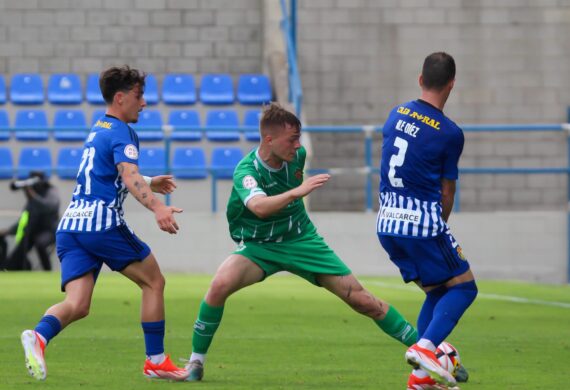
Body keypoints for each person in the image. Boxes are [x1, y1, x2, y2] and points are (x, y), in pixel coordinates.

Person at [183, 102, 419, 382]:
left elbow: (283, 193)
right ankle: (195, 364)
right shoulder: (245, 171)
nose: (298, 145)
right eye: (292, 139)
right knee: (219, 286)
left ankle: (429, 353)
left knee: (362, 300)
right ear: (269, 139)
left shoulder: (297, 156)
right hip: (260, 246)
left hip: (301, 239)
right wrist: (299, 192)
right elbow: (259, 206)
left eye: (298, 138)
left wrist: (295, 193)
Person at [20, 66, 189, 381]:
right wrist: (157, 207)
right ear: (121, 97)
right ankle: (155, 360)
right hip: (101, 225)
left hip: (71, 227)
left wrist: (149, 181)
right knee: (154, 282)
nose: (144, 104)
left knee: (78, 304)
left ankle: (38, 336)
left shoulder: (99, 127)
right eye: (139, 96)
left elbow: (106, 173)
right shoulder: (123, 132)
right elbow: (128, 174)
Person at [377, 52, 478, 390]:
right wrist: (440, 226)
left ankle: (420, 378)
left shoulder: (396, 114)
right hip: (421, 223)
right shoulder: (450, 133)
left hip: (387, 223)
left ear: (420, 79)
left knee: (437, 290)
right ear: (452, 85)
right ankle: (425, 348)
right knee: (464, 287)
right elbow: (446, 192)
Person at [0, 171, 60, 271]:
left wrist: (31, 194)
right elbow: (24, 220)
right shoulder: (31, 201)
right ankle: (13, 268)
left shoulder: (50, 191)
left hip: (49, 230)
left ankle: (47, 271)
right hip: (32, 231)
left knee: (40, 243)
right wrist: (8, 231)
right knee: (17, 255)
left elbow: (49, 206)